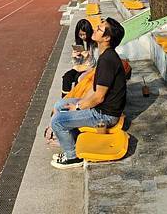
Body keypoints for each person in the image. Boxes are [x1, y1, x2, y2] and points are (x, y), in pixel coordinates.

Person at [50, 17, 126, 169]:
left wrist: (78, 107)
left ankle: (72, 157)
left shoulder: (107, 60)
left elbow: (99, 97)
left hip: (105, 115)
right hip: (100, 109)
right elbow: (95, 89)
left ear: (107, 38)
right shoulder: (105, 55)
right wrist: (77, 103)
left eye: (99, 29)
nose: (95, 29)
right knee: (60, 104)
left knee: (57, 120)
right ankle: (73, 145)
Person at [62, 19, 97, 96]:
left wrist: (88, 57)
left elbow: (95, 64)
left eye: (84, 34)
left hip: (91, 69)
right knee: (66, 77)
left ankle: (76, 98)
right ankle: (65, 99)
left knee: (78, 78)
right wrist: (74, 57)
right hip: (80, 68)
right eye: (80, 35)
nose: (83, 37)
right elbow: (76, 64)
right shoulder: (77, 43)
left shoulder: (94, 44)